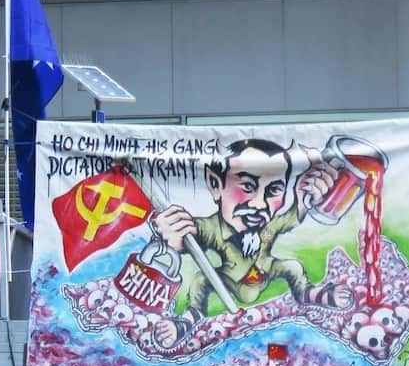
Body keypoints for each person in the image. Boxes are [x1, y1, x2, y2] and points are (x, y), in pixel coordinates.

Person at [150, 138, 352, 349]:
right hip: (227, 280)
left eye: (273, 191)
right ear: (215, 184)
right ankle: (187, 321)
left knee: (293, 267)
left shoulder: (269, 225)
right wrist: (170, 233)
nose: (259, 204)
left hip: (266, 270)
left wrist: (302, 200)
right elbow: (189, 235)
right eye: (247, 186)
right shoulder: (211, 227)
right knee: (200, 281)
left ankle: (313, 294)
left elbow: (290, 218)